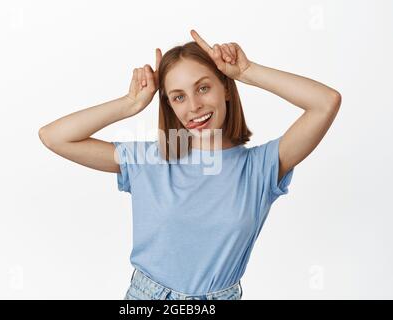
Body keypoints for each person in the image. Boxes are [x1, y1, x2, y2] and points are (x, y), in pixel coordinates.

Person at [38, 29, 341, 300]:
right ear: (169, 105)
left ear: (225, 87)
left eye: (203, 88)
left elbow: (325, 102)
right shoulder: (150, 160)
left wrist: (247, 71)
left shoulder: (261, 167)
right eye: (178, 96)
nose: (194, 106)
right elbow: (54, 137)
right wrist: (130, 104)